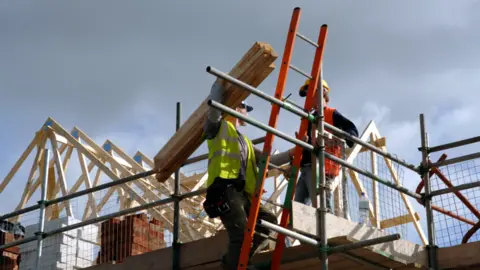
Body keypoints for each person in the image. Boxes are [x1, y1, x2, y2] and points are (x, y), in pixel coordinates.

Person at [202, 80, 292, 270]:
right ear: (236, 106)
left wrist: (292, 153)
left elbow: (266, 161)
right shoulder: (218, 128)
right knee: (241, 235)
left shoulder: (245, 142)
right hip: (225, 189)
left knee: (269, 222)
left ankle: (241, 261)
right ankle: (234, 266)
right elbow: (213, 112)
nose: (247, 113)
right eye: (244, 108)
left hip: (245, 193)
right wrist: (218, 87)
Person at [292, 78, 358, 212]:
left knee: (323, 208)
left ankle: (325, 232)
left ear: (321, 93)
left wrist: (334, 138)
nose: (308, 99)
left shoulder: (331, 114)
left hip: (324, 169)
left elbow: (352, 133)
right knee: (298, 210)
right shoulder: (309, 118)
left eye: (310, 94)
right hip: (306, 168)